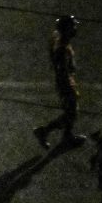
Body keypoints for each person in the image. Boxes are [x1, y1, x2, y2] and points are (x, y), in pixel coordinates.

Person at [33, 15, 86, 150]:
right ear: (67, 29)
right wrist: (70, 87)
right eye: (72, 26)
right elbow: (62, 71)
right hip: (66, 83)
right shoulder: (62, 48)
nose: (75, 29)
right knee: (72, 112)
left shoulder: (59, 39)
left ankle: (66, 135)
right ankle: (45, 131)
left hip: (66, 82)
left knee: (71, 111)